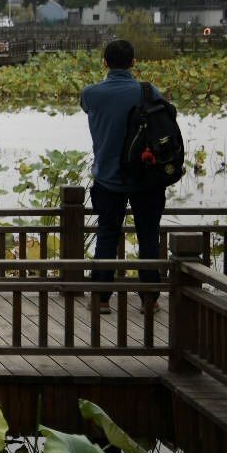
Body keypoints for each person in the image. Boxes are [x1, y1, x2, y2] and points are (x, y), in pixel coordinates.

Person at [80, 38, 166, 313]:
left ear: (105, 63)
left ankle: (102, 299)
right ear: (133, 62)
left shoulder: (91, 94)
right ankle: (149, 299)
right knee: (149, 236)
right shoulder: (150, 91)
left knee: (107, 234)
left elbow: (86, 108)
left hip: (107, 177)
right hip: (146, 176)